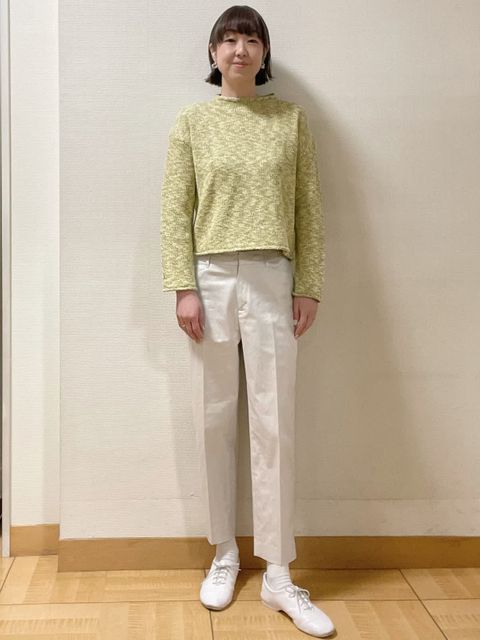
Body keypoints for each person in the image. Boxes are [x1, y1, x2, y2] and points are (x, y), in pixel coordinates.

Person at [160, 5, 335, 638]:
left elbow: (308, 206)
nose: (240, 49)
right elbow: (175, 208)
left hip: (273, 277)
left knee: (274, 421)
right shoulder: (193, 121)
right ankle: (224, 554)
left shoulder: (290, 119)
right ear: (213, 53)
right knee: (214, 417)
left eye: (251, 39)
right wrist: (183, 287)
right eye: (229, 40)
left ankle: (279, 573)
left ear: (264, 53)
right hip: (209, 278)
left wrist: (308, 284)